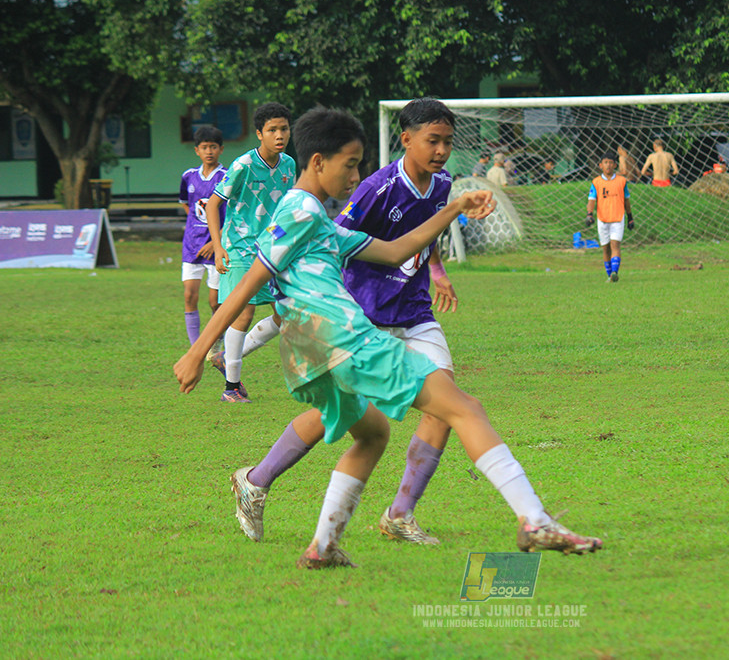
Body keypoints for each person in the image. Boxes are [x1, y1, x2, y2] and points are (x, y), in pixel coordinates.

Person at [173, 106, 603, 568]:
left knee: (373, 434)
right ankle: (534, 520)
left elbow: (397, 249)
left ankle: (322, 548)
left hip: (307, 352)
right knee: (464, 407)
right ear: (318, 161)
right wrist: (198, 351)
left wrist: (455, 207)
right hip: (345, 338)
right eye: (350, 163)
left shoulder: (317, 217)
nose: (356, 174)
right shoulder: (300, 209)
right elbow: (251, 281)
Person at [226, 98, 476, 547]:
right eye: (432, 141)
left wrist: (437, 271)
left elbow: (425, 230)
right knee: (337, 416)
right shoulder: (373, 187)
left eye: (447, 142)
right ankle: (257, 479)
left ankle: (399, 514)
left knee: (446, 403)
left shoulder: (442, 186)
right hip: (362, 315)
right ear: (407, 139)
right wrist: (314, 301)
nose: (440, 151)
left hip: (415, 311)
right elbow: (330, 241)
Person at [204, 102, 296, 402]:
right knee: (243, 314)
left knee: (287, 314)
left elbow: (287, 206)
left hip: (275, 247)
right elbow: (214, 205)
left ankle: (228, 357)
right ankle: (231, 388)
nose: (279, 135)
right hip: (240, 248)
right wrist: (218, 248)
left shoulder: (289, 165)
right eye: (272, 130)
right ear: (260, 134)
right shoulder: (243, 165)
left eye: (283, 128)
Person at [178, 125, 227, 346]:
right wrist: (194, 228)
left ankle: (218, 343)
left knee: (215, 301)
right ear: (196, 150)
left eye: (213, 147)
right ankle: (196, 347)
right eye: (204, 147)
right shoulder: (188, 176)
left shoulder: (226, 177)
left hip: (216, 248)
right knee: (189, 295)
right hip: (191, 246)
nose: (209, 151)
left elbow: (234, 214)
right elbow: (186, 205)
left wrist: (214, 240)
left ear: (221, 149)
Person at [585, 150, 634, 282]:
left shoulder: (622, 181)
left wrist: (630, 217)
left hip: (618, 218)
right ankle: (609, 275)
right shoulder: (596, 182)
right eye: (605, 162)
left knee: (615, 245)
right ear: (600, 165)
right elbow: (591, 200)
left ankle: (614, 272)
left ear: (615, 165)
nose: (608, 165)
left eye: (610, 163)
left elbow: (627, 200)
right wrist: (589, 214)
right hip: (602, 219)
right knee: (605, 248)